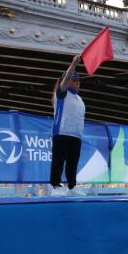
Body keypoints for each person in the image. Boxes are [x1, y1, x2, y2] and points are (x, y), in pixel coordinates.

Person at [49, 55, 85, 194]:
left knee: (73, 163)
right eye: (74, 81)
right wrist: (74, 64)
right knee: (58, 161)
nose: (76, 83)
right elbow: (67, 78)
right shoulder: (61, 93)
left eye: (78, 81)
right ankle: (55, 186)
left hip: (76, 135)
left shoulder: (80, 99)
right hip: (62, 132)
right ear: (67, 81)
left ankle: (72, 186)